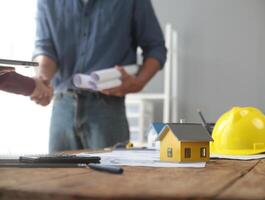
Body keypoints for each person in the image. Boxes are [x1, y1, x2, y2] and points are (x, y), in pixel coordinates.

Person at [32, 0, 167, 153]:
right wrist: (42, 79)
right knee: (57, 175)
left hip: (107, 108)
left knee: (111, 174)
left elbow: (156, 48)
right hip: (62, 107)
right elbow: (45, 48)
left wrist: (139, 82)